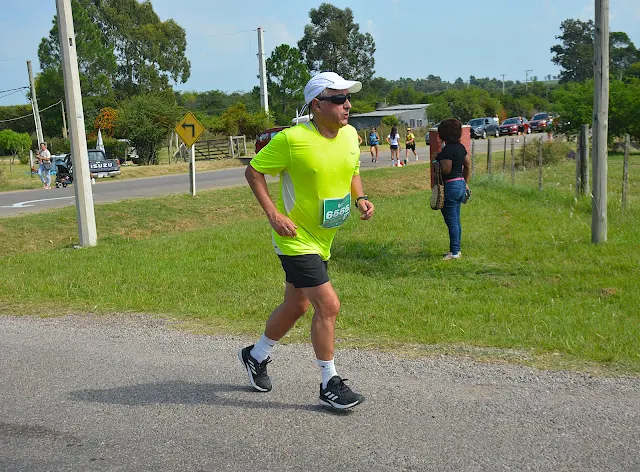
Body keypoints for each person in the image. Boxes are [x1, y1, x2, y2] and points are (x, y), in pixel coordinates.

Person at [241, 71, 375, 410]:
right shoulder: (292, 139)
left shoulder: (350, 135)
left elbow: (352, 170)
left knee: (297, 306)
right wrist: (273, 214)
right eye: (339, 99)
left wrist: (359, 197)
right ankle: (329, 383)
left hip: (324, 238)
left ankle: (256, 355)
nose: (348, 105)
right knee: (328, 306)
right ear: (317, 104)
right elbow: (253, 171)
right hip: (295, 239)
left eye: (348, 98)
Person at [434, 119, 472, 261]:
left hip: (450, 186)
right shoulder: (460, 147)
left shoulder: (447, 150)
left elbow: (446, 169)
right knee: (456, 219)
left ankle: (454, 252)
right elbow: (467, 165)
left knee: (452, 221)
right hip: (460, 184)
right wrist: (465, 182)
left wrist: (435, 162)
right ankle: (456, 249)